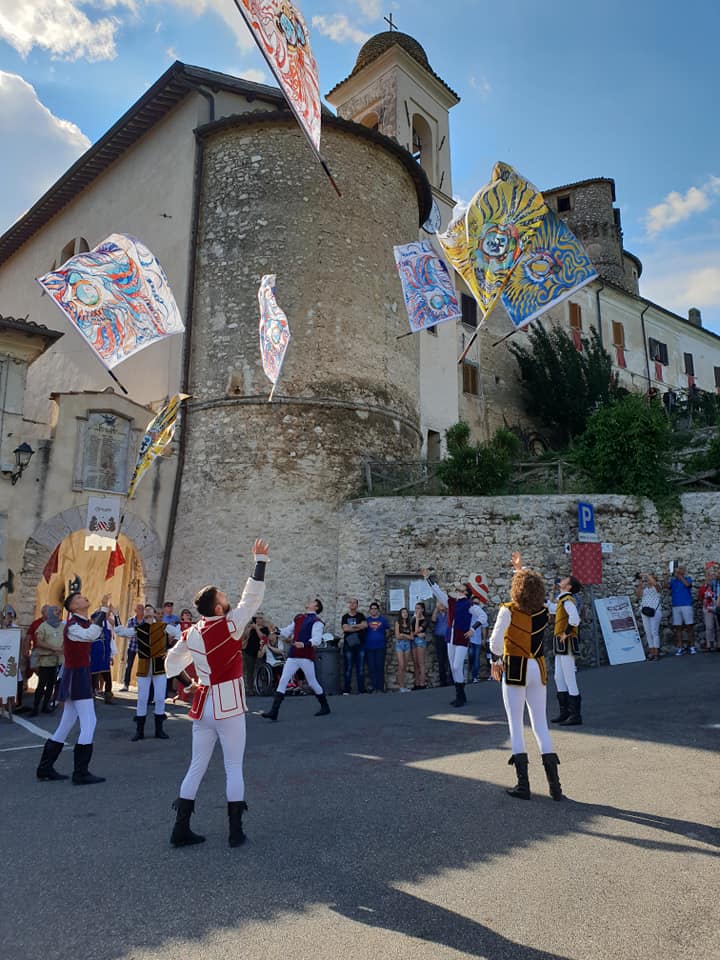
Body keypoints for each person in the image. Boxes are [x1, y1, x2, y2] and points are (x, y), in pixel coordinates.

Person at [165, 538, 269, 847]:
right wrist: (260, 562)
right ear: (219, 607)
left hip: (202, 703)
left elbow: (170, 664)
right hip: (228, 704)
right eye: (224, 597)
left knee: (197, 766)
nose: (229, 599)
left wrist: (190, 682)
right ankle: (235, 832)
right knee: (233, 767)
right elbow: (251, 599)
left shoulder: (192, 632)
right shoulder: (230, 626)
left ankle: (180, 828)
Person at [488, 559, 563, 801]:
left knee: (515, 725)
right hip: (538, 667)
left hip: (515, 667)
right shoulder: (545, 611)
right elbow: (530, 592)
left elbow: (495, 642)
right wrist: (520, 570)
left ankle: (524, 785)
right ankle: (555, 786)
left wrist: (495, 660)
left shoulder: (508, 610)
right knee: (540, 723)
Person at [36, 592, 109, 785]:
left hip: (77, 674)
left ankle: (45, 768)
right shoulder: (73, 626)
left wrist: (102, 614)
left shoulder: (81, 622)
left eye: (84, 596)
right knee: (89, 721)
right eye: (79, 598)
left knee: (66, 723)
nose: (84, 598)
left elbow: (94, 632)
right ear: (74, 607)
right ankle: (80, 773)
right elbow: (91, 634)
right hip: (77, 675)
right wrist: (103, 610)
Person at [421, 568, 486, 708]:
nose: (457, 589)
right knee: (453, 667)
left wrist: (472, 629)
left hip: (461, 638)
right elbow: (436, 591)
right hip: (450, 637)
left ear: (465, 593)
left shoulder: (469, 605)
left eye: (460, 589)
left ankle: (461, 694)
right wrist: (428, 578)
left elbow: (483, 617)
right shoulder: (449, 602)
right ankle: (460, 695)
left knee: (457, 665)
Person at [261, 598, 331, 721]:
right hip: (293, 655)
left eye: (312, 601)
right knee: (283, 680)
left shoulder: (317, 622)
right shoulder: (299, 618)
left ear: (316, 607)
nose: (309, 601)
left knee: (312, 682)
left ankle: (325, 707)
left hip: (305, 656)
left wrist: (304, 644)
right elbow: (287, 631)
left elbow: (317, 639)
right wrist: (277, 630)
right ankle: (274, 711)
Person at [117, 605, 175, 741]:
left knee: (160, 698)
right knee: (142, 699)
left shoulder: (163, 626)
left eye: (150, 609)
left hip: (159, 667)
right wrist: (116, 615)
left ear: (155, 614)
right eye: (146, 609)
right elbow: (120, 632)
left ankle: (159, 730)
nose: (147, 611)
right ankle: (139, 731)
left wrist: (170, 652)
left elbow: (180, 634)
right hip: (144, 667)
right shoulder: (138, 629)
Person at [547, 574, 583, 725]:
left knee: (569, 677)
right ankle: (565, 712)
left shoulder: (568, 600)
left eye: (564, 580)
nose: (561, 580)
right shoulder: (562, 600)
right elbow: (553, 609)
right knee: (558, 677)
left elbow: (575, 618)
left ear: (568, 587)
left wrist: (566, 633)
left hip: (566, 641)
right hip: (560, 642)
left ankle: (575, 715)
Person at [30, 605, 64, 716]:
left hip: (57, 660)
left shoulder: (62, 627)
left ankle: (45, 706)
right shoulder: (43, 626)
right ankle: (35, 708)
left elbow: (65, 640)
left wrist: (61, 649)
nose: (58, 613)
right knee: (41, 684)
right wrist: (53, 648)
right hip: (46, 660)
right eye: (55, 611)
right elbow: (39, 642)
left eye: (59, 612)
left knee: (51, 685)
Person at [90, 602, 117, 704]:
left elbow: (111, 641)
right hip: (95, 654)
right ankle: (92, 694)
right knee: (93, 676)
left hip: (105, 655)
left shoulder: (108, 625)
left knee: (107, 677)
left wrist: (111, 656)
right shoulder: (93, 625)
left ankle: (108, 695)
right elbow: (92, 617)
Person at [667, 566, 696, 655]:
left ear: (684, 571)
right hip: (676, 606)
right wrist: (666, 576)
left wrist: (680, 576)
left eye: (680, 569)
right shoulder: (673, 581)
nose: (678, 571)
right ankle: (680, 647)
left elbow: (687, 585)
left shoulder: (688, 578)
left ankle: (691, 646)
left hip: (686, 605)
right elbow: (666, 586)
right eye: (678, 569)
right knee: (678, 627)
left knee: (689, 626)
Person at [341, 599, 367, 695]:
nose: (352, 604)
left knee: (360, 668)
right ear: (349, 605)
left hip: (360, 644)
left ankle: (361, 689)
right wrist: (358, 627)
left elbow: (364, 625)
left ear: (357, 605)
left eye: (354, 603)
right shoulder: (345, 617)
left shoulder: (361, 616)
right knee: (348, 668)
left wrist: (351, 627)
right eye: (350, 602)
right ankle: (347, 689)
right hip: (348, 645)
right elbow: (345, 628)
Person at [364, 602, 390, 692]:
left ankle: (380, 687)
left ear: (378, 610)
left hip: (380, 647)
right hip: (369, 647)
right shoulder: (366, 620)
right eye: (372, 608)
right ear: (370, 610)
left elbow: (387, 632)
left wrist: (381, 639)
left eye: (375, 608)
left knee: (380, 667)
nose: (373, 610)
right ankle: (373, 687)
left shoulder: (383, 620)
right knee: (371, 667)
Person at [242, 613, 271, 696]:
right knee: (249, 671)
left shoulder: (265, 629)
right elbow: (244, 637)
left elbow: (263, 637)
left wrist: (257, 628)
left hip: (260, 652)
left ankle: (263, 687)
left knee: (262, 670)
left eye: (261, 618)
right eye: (257, 618)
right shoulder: (250, 628)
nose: (259, 620)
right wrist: (249, 628)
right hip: (249, 652)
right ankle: (250, 689)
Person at [636, 572, 662, 661]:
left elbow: (655, 584)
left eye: (650, 579)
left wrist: (647, 574)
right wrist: (640, 582)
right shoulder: (645, 589)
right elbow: (638, 594)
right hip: (645, 612)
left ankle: (656, 652)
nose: (648, 581)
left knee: (654, 632)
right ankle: (651, 652)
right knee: (648, 632)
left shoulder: (657, 588)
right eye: (647, 580)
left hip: (655, 611)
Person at [119, 602, 145, 691]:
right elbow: (127, 632)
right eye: (140, 609)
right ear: (135, 611)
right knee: (129, 665)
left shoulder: (146, 621)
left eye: (142, 609)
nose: (142, 610)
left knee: (142, 667)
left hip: (143, 647)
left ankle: (141, 685)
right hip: (132, 646)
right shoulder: (131, 620)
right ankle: (126, 684)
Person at [698, 566, 718, 652]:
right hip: (707, 608)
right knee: (709, 627)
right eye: (708, 575)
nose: (710, 577)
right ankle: (709, 644)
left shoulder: (717, 585)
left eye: (712, 575)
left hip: (717, 607)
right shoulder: (704, 586)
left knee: (718, 626)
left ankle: (718, 644)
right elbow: (701, 596)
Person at [468, 603, 489, 684]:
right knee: (470, 655)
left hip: (477, 640)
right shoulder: (468, 613)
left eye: (477, 603)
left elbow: (484, 627)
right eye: (474, 603)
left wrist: (483, 639)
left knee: (476, 659)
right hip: (468, 639)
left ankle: (474, 677)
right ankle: (468, 672)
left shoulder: (481, 615)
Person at [431, 601, 451, 686]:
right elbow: (433, 619)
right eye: (440, 604)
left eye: (443, 604)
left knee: (450, 659)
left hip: (448, 638)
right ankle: (443, 681)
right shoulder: (437, 614)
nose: (441, 605)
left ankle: (451, 679)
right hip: (439, 639)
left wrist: (447, 607)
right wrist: (436, 608)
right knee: (441, 660)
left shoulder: (448, 613)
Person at [394, 608, 413, 693]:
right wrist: (405, 636)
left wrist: (403, 634)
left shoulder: (409, 624)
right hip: (400, 645)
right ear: (400, 614)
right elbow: (397, 636)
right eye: (403, 612)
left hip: (407, 645)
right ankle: (400, 686)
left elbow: (411, 637)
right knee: (401, 665)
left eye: (406, 612)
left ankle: (403, 686)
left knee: (404, 666)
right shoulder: (398, 623)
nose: (405, 614)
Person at [411, 602, 428, 689]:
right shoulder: (413, 618)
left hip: (420, 642)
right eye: (415, 608)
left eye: (418, 608)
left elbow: (417, 630)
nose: (416, 610)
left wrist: (417, 619)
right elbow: (411, 631)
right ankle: (417, 683)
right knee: (415, 663)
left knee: (421, 663)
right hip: (414, 640)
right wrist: (416, 634)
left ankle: (422, 683)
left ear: (422, 609)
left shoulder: (425, 620)